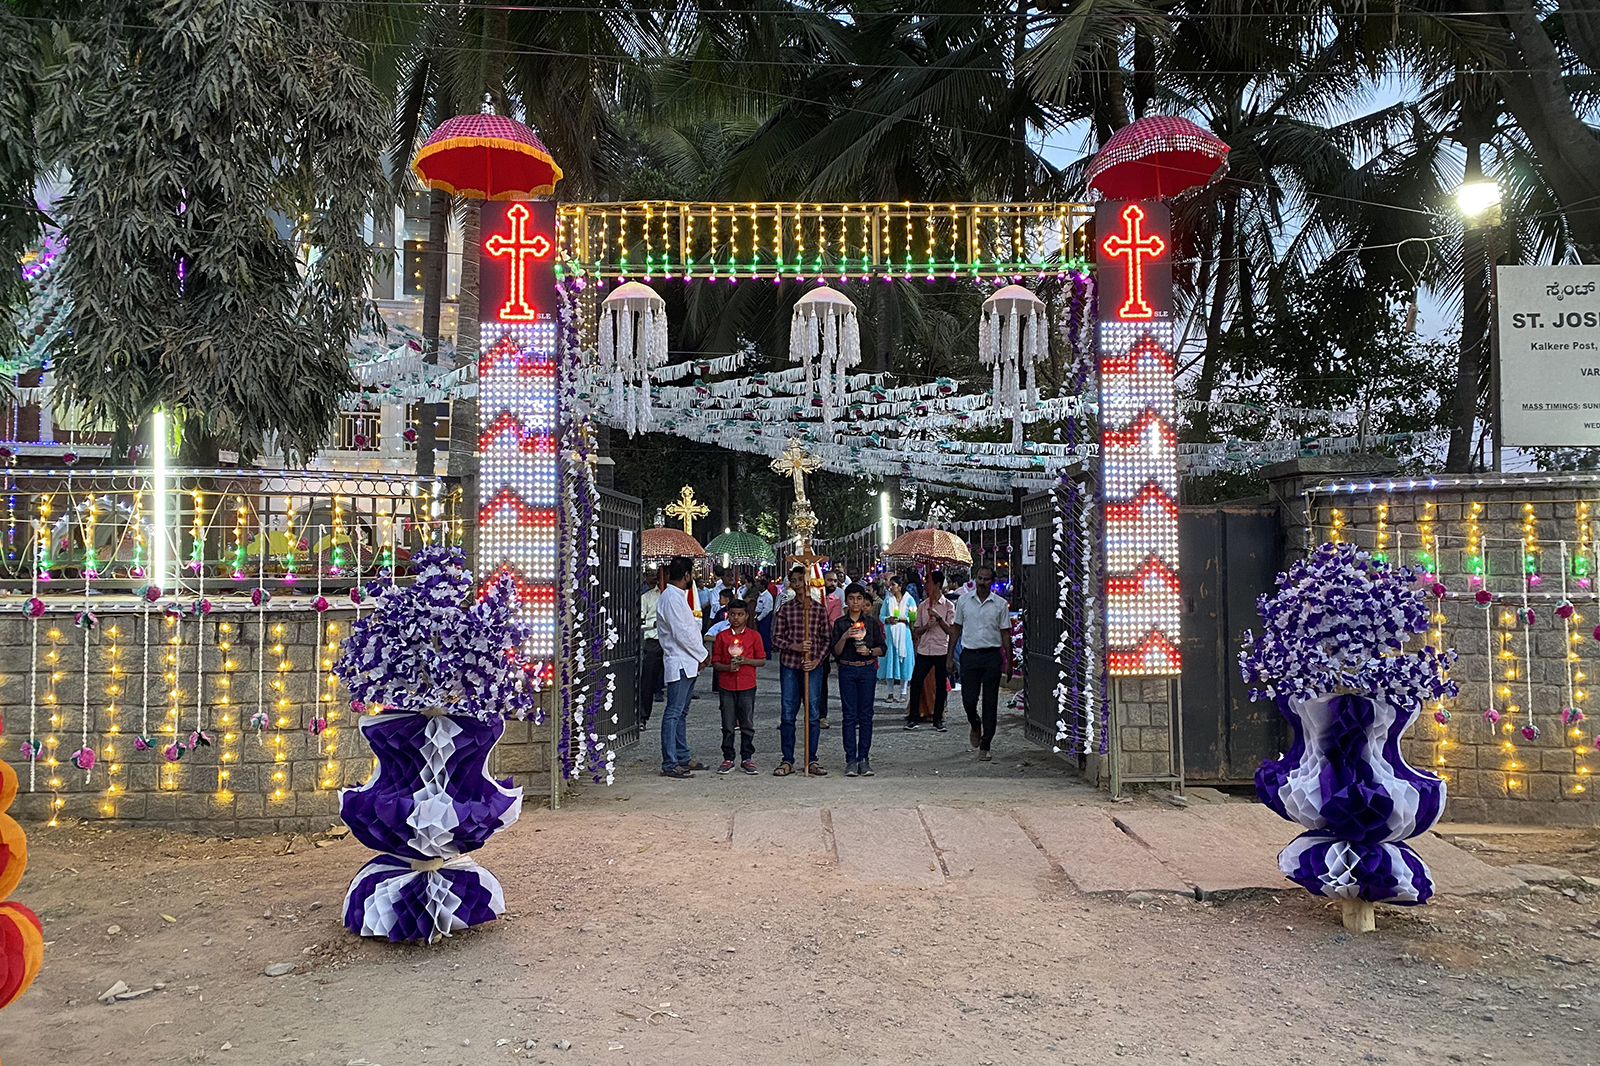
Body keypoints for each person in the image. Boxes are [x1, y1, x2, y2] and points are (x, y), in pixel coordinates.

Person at [771, 564, 831, 776]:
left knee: (813, 714)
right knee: (788, 713)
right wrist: (794, 646)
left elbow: (826, 640)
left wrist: (816, 660)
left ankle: (811, 758)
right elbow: (776, 639)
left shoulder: (818, 609)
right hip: (790, 665)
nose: (798, 584)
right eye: (794, 580)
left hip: (812, 667)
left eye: (801, 580)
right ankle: (787, 759)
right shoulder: (786, 609)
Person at [950, 564, 1012, 761]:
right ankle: (975, 723)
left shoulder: (1000, 604)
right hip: (969, 655)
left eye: (986, 579)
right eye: (979, 578)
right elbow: (956, 628)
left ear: (992, 582)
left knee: (990, 702)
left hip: (992, 656)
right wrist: (949, 655)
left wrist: (1009, 661)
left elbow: (1005, 633)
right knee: (969, 699)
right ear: (975, 579)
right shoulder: (964, 601)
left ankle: (986, 744)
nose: (982, 582)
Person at [657, 557, 709, 778]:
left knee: (681, 712)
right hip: (679, 660)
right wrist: (702, 654)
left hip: (688, 661)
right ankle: (670, 761)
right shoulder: (670, 598)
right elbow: (681, 633)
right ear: (687, 575)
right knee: (673, 713)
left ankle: (682, 755)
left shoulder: (677, 596)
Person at [831, 583, 887, 777]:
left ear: (864, 601)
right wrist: (845, 636)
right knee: (849, 715)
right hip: (847, 668)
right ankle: (850, 759)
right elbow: (835, 652)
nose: (856, 602)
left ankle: (864, 757)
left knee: (866, 715)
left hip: (866, 670)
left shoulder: (871, 623)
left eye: (859, 598)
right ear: (846, 601)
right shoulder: (840, 623)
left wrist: (869, 651)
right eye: (851, 599)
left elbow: (882, 648)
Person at [710, 598, 766, 774]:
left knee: (747, 723)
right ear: (728, 615)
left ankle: (747, 757)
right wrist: (728, 667)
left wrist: (747, 661)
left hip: (747, 683)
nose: (736, 618)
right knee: (727, 724)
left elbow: (762, 660)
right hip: (726, 684)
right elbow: (716, 661)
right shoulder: (722, 636)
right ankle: (728, 757)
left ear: (746, 616)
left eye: (740, 615)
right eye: (733, 614)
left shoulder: (754, 636)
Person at [905, 569, 954, 731]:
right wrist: (926, 626)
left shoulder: (948, 606)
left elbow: (951, 631)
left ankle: (938, 719)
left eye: (929, 583)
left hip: (941, 649)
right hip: (925, 650)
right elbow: (916, 630)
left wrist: (938, 618)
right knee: (916, 682)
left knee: (940, 685)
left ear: (937, 585)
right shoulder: (922, 605)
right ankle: (913, 717)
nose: (926, 586)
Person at [878, 575, 916, 703]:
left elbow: (913, 617)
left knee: (903, 662)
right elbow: (881, 616)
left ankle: (903, 691)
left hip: (904, 635)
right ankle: (890, 692)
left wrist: (903, 619)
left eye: (893, 585)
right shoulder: (888, 600)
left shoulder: (909, 600)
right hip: (890, 634)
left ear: (900, 586)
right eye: (890, 585)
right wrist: (887, 619)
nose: (891, 587)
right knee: (890, 661)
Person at [818, 570, 844, 730]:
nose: (833, 584)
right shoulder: (813, 597)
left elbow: (832, 623)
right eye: (829, 580)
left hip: (824, 645)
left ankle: (822, 715)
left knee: (822, 682)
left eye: (835, 581)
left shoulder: (835, 600)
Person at [639, 569, 664, 727]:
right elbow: (640, 622)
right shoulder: (647, 597)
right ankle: (642, 716)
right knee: (647, 680)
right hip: (654, 640)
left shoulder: (680, 596)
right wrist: (653, 624)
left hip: (672, 641)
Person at [753, 572, 776, 657]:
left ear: (763, 586)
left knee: (765, 635)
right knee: (760, 635)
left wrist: (759, 618)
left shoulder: (767, 596)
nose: (757, 586)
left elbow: (767, 609)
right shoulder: (761, 595)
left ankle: (767, 653)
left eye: (759, 584)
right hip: (760, 616)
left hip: (765, 617)